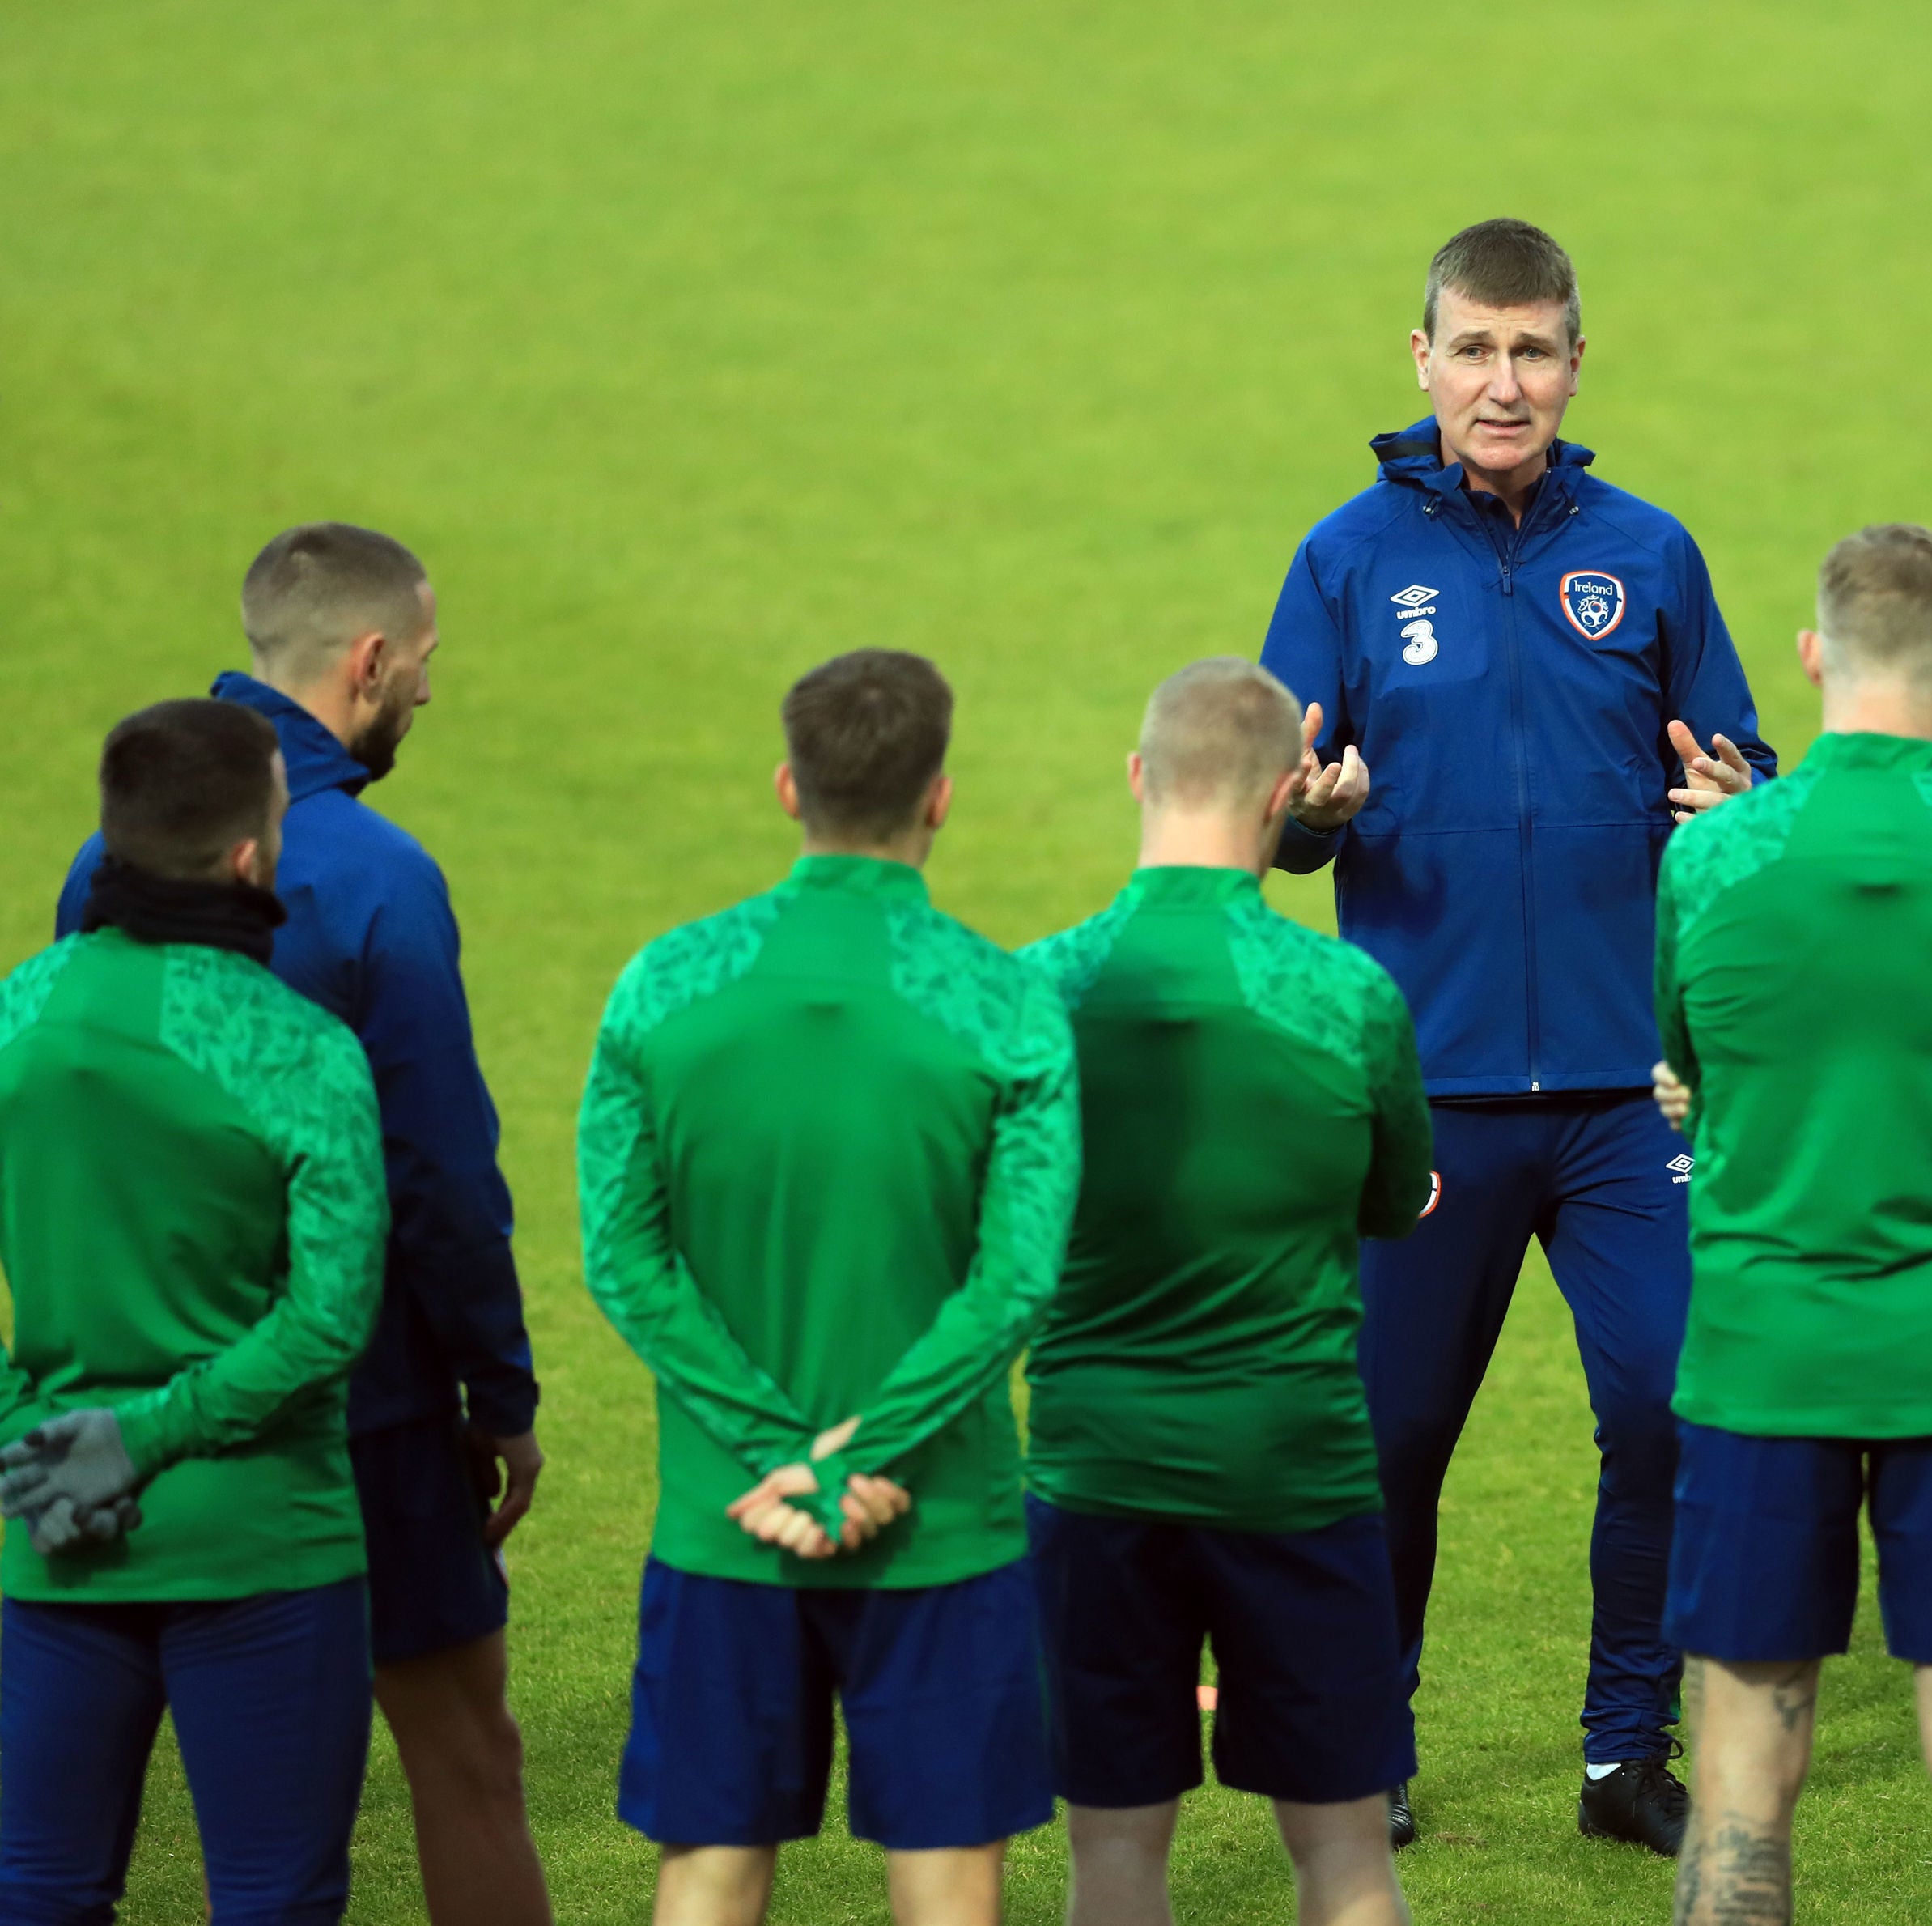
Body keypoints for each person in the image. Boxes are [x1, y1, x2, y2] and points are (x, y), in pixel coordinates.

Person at [1259, 215, 1777, 1854]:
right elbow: (1274, 808)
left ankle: (1625, 1742)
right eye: (1473, 349)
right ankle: (1370, 1740)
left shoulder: (1654, 552)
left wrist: (1735, 799)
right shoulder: (1345, 561)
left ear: (1573, 363)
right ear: (1420, 361)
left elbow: (1740, 767)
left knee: (1667, 1409)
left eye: (1532, 349)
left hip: (1636, 1094)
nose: (1503, 380)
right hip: (1426, 1100)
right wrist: (1311, 816)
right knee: (1393, 1434)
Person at [54, 524, 564, 1920]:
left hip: (124, 1403)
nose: (429, 695)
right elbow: (442, 1178)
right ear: (373, 660)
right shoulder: (378, 873)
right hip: (362, 1414)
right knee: (462, 1759)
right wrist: (499, 1393)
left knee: (76, 1839)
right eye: (426, 665)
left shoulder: (104, 869)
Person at [579, 648, 1074, 1926]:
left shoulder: (663, 985)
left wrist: (777, 1456)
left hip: (727, 1520)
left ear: (788, 788)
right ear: (942, 796)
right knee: (951, 1882)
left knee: (709, 1871)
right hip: (941, 1523)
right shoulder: (1004, 1002)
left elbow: (622, 1262)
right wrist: (866, 1458)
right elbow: (1017, 1276)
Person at [1650, 526, 1932, 1926]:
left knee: (1737, 1784)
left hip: (1765, 1355)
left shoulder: (1712, 863)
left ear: (1813, 656)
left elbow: (1690, 1077)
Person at [1021, 657, 1432, 1926]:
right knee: (1349, 1864)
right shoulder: (1351, 997)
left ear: (1141, 778)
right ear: (1281, 798)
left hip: (1096, 1477)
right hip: (1293, 1479)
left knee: (1115, 1865)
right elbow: (1391, 1201)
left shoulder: (1035, 989)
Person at [0, 700, 389, 1922]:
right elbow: (328, 1321)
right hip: (264, 1547)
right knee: (274, 1901)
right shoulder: (303, 1051)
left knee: (38, 1896)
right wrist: (151, 1438)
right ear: (248, 857)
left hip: (48, 1532)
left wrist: (30, 1432)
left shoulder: (16, 1019)